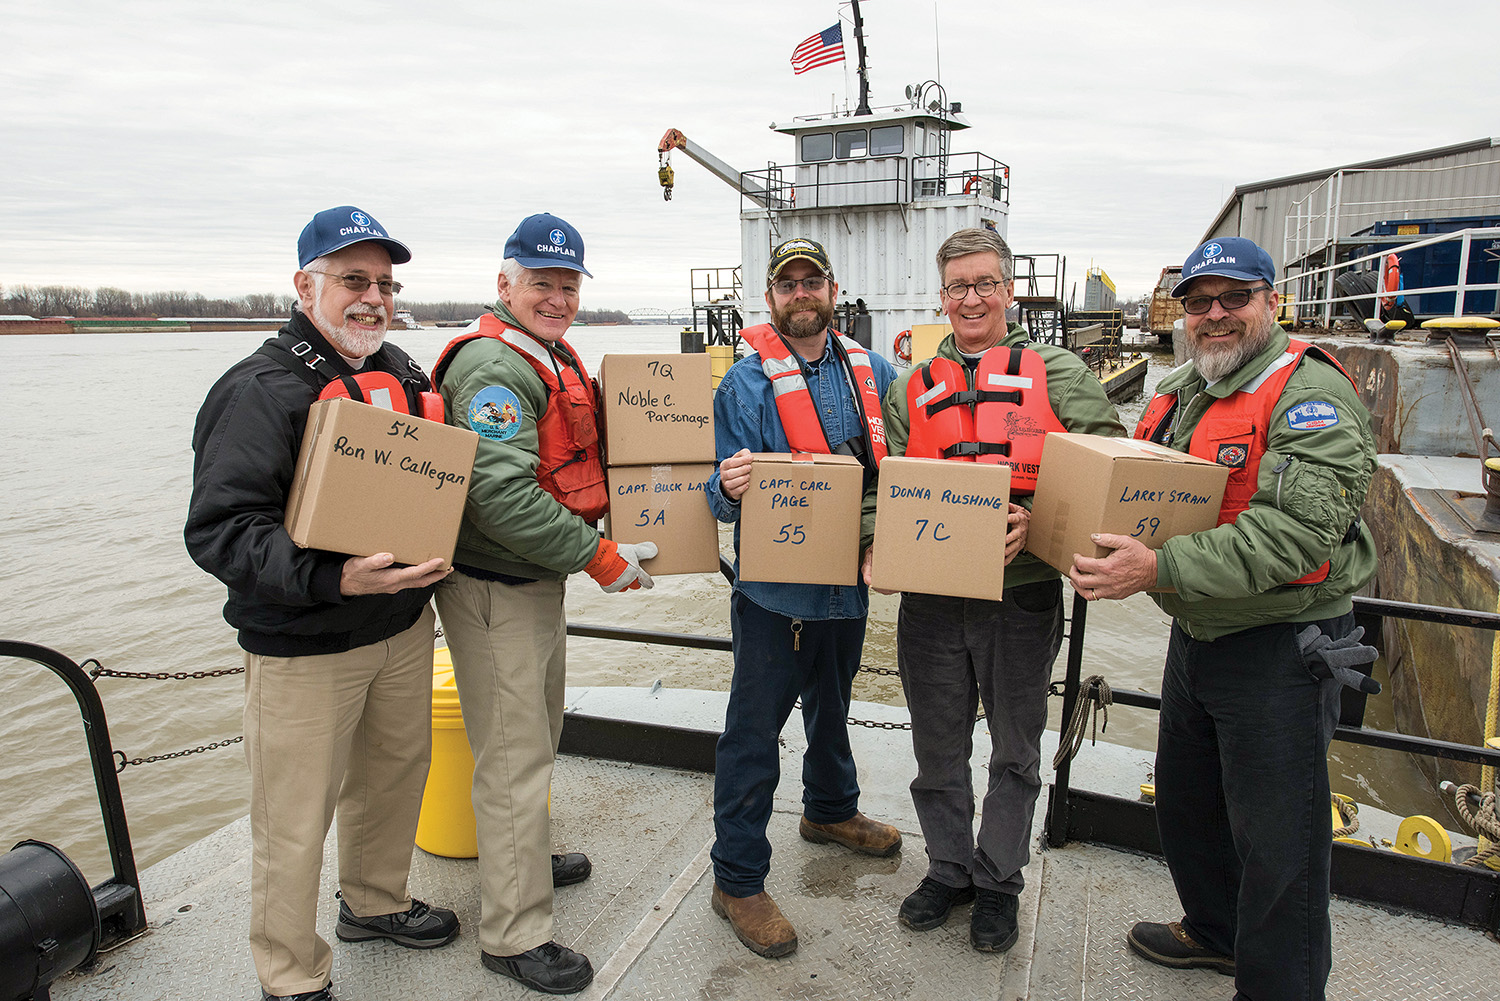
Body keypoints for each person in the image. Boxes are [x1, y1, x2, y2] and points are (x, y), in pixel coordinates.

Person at [1071, 237, 1378, 1001]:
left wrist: (1156, 568)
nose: (1214, 314)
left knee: (1281, 845)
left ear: (1271, 301)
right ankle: (1215, 931)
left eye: (1233, 297)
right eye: (1199, 301)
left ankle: (1280, 986)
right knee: (1187, 801)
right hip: (1199, 633)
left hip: (1283, 645)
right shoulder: (1184, 390)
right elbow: (1134, 484)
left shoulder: (1310, 395)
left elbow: (1297, 536)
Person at [185, 206, 459, 1001]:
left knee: (394, 778)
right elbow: (219, 531)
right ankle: (290, 973)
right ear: (305, 285)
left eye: (384, 282)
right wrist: (331, 578)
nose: (372, 297)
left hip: (402, 625)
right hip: (303, 644)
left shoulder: (405, 373)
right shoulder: (256, 391)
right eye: (352, 279)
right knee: (294, 820)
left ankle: (375, 902)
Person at [874, 227, 1125, 952]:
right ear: (942, 296)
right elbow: (888, 486)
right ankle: (949, 868)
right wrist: (872, 547)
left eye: (986, 283)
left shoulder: (1064, 373)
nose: (972, 297)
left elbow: (1110, 476)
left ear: (1009, 291)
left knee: (1016, 747)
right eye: (958, 286)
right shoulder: (910, 387)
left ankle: (998, 880)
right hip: (931, 597)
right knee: (935, 744)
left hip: (1022, 598)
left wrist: (1038, 520)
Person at [429, 212, 656, 995]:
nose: (557, 298)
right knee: (514, 757)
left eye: (567, 285)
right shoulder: (494, 367)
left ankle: (521, 855)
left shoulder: (550, 354)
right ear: (505, 283)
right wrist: (599, 556)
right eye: (541, 283)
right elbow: (500, 498)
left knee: (537, 730)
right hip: (495, 588)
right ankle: (513, 932)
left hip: (532, 582)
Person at [705, 237, 901, 959]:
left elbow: (898, 476)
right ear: (769, 298)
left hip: (849, 585)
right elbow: (713, 501)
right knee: (752, 734)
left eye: (810, 280)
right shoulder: (742, 386)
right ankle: (737, 880)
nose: (800, 293)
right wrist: (725, 488)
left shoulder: (876, 372)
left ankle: (828, 809)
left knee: (834, 706)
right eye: (786, 284)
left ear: (831, 288)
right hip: (772, 596)